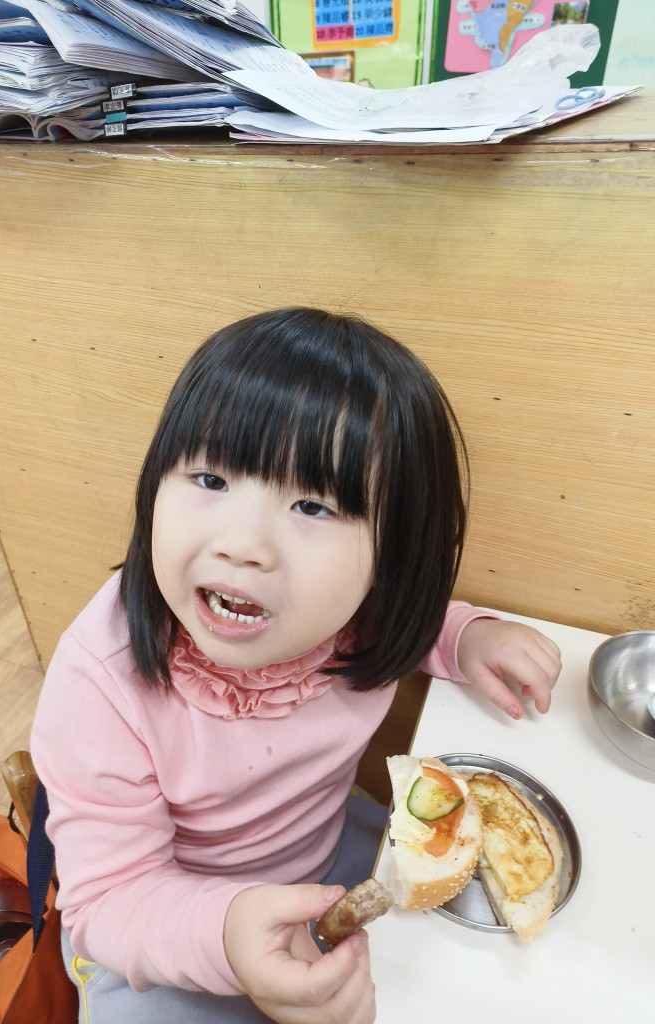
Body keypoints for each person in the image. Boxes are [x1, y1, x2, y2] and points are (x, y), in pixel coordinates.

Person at [30, 308, 561, 1024]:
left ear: (392, 556)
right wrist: (226, 936)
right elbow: (110, 899)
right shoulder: (101, 681)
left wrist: (466, 638)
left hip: (328, 855)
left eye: (312, 505)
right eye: (211, 478)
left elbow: (412, 613)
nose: (243, 544)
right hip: (164, 928)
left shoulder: (352, 613)